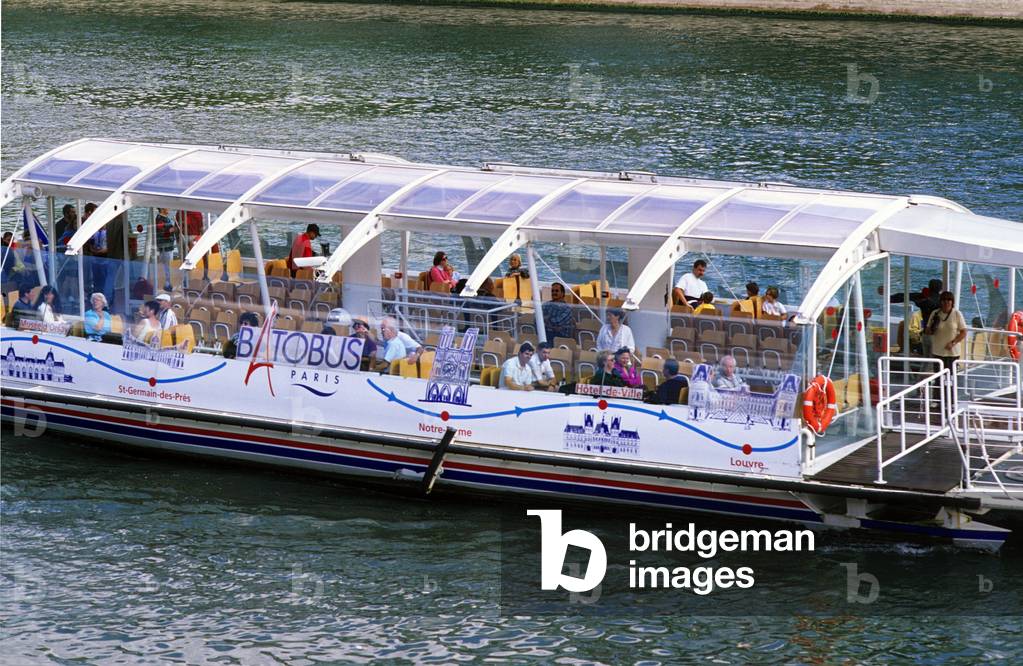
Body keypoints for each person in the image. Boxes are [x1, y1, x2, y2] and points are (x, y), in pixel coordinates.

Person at [926, 291, 967, 372]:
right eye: (944, 300)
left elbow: (963, 332)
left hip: (952, 352)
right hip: (937, 351)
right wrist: (932, 327)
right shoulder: (935, 313)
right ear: (940, 301)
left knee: (951, 376)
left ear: (952, 302)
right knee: (938, 376)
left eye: (949, 300)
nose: (946, 302)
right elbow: (928, 331)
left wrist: (953, 343)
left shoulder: (957, 314)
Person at [155, 208, 178, 291]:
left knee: (168, 265)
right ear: (162, 209)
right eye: (166, 208)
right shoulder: (160, 219)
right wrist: (173, 229)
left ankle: (168, 283)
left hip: (168, 246)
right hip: (165, 247)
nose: (169, 209)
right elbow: (162, 232)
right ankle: (167, 284)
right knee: (167, 266)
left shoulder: (165, 218)